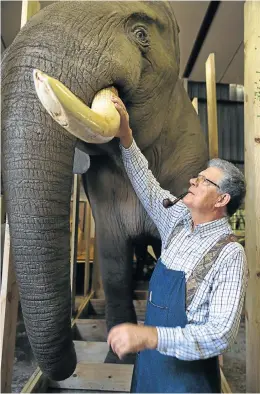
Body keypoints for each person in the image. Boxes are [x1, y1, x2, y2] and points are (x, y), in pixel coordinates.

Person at [107, 96, 247, 393]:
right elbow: (146, 184)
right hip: (149, 370)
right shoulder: (178, 221)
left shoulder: (230, 254)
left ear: (222, 200)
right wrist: (126, 137)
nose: (193, 182)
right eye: (197, 177)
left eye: (205, 181)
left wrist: (150, 337)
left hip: (187, 382)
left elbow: (220, 334)